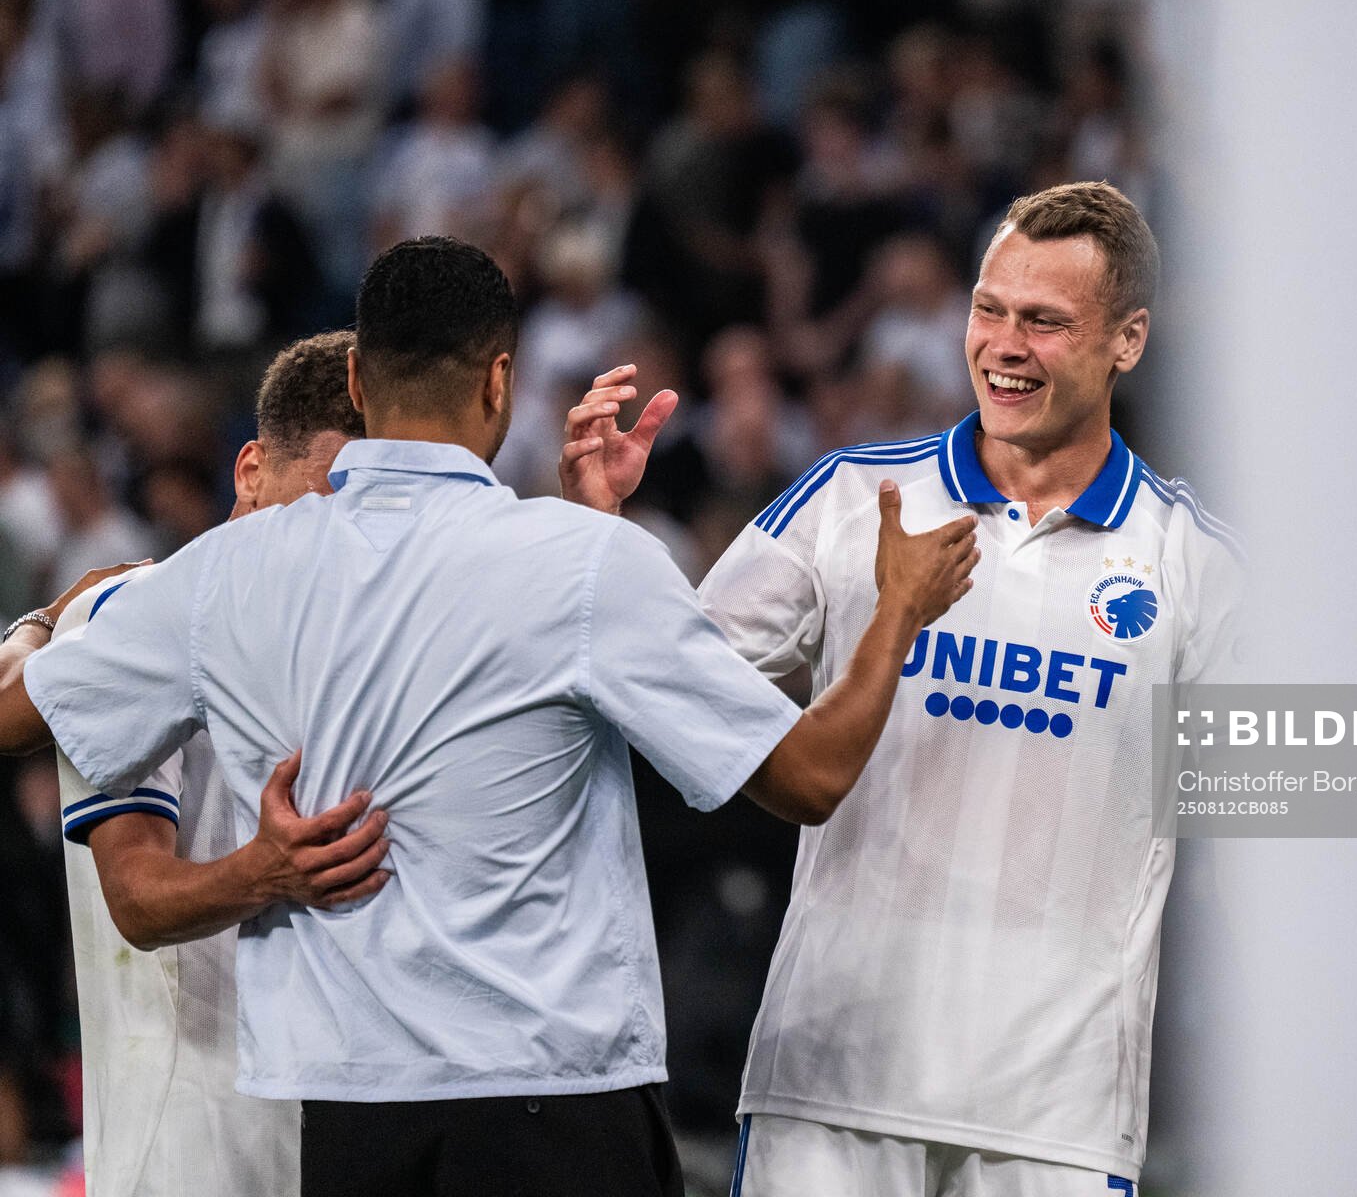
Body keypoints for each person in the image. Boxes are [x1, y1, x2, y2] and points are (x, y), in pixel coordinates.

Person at [0, 235, 978, 1197]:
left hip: (349, 1125)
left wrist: (52, 621)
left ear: (356, 371)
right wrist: (896, 607)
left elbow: (20, 714)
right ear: (500, 380)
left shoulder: (214, 577)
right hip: (558, 1108)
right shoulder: (585, 563)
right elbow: (811, 775)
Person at [561, 182, 1242, 1195]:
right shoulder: (848, 497)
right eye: (989, 308)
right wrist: (604, 536)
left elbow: (1298, 791)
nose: (1003, 344)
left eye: (1045, 320)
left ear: (1128, 340)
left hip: (1055, 1116)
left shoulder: (1194, 562)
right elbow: (667, 694)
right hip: (829, 1082)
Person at [22, 332, 387, 1197]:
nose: (341, 531)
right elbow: (138, 899)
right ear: (250, 467)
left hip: (338, 1130)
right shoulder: (132, 614)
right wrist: (267, 870)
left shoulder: (359, 641)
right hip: (187, 1142)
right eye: (327, 490)